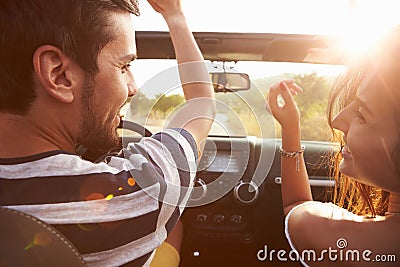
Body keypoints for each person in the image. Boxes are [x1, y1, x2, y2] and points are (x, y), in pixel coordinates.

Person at [0, 0, 215, 266]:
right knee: (174, 228)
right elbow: (200, 109)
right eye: (124, 67)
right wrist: (175, 15)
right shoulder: (135, 195)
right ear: (59, 75)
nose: (133, 86)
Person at [267, 27, 400, 266]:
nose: (338, 121)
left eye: (362, 114)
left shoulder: (336, 238)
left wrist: (290, 129)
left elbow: (297, 207)